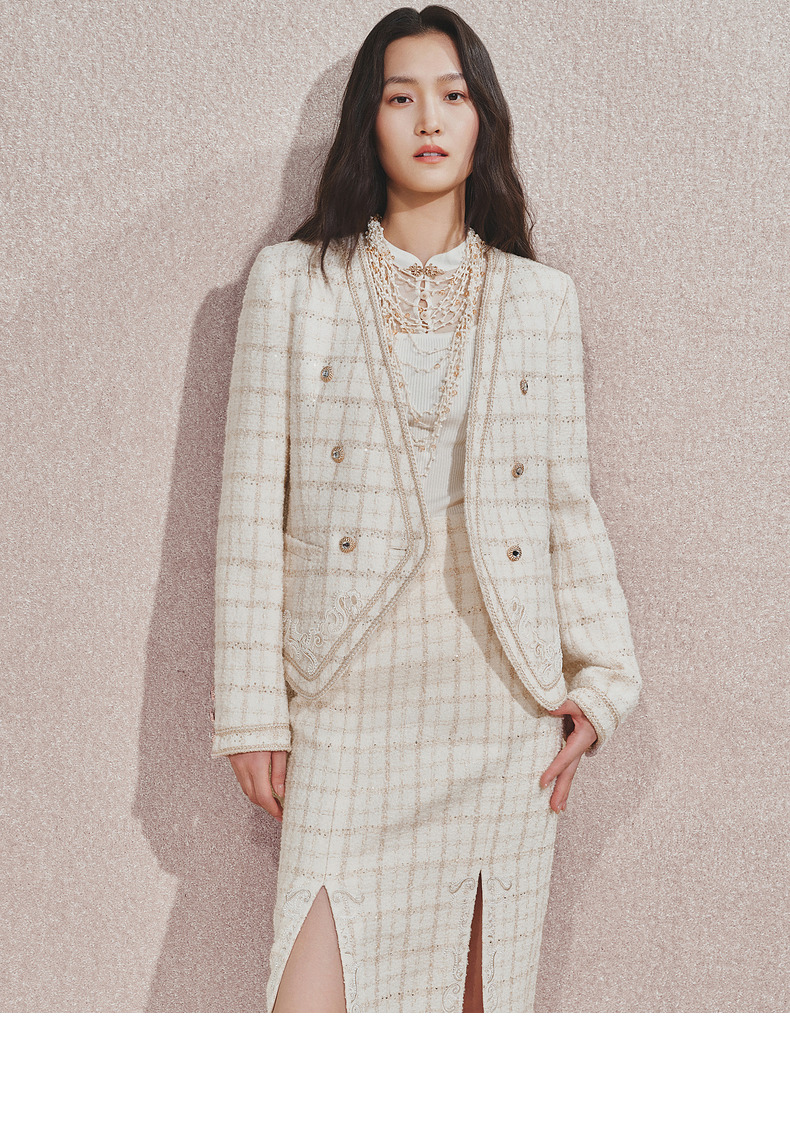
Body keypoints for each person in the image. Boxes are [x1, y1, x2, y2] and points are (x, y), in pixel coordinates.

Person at [210, 5, 642, 1013]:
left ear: (483, 117)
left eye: (452, 95)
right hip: (345, 696)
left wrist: (603, 680)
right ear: (368, 120)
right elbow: (247, 512)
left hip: (499, 706)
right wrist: (250, 710)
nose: (429, 119)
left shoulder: (541, 299)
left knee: (468, 1030)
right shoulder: (292, 283)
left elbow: (565, 505)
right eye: (400, 97)